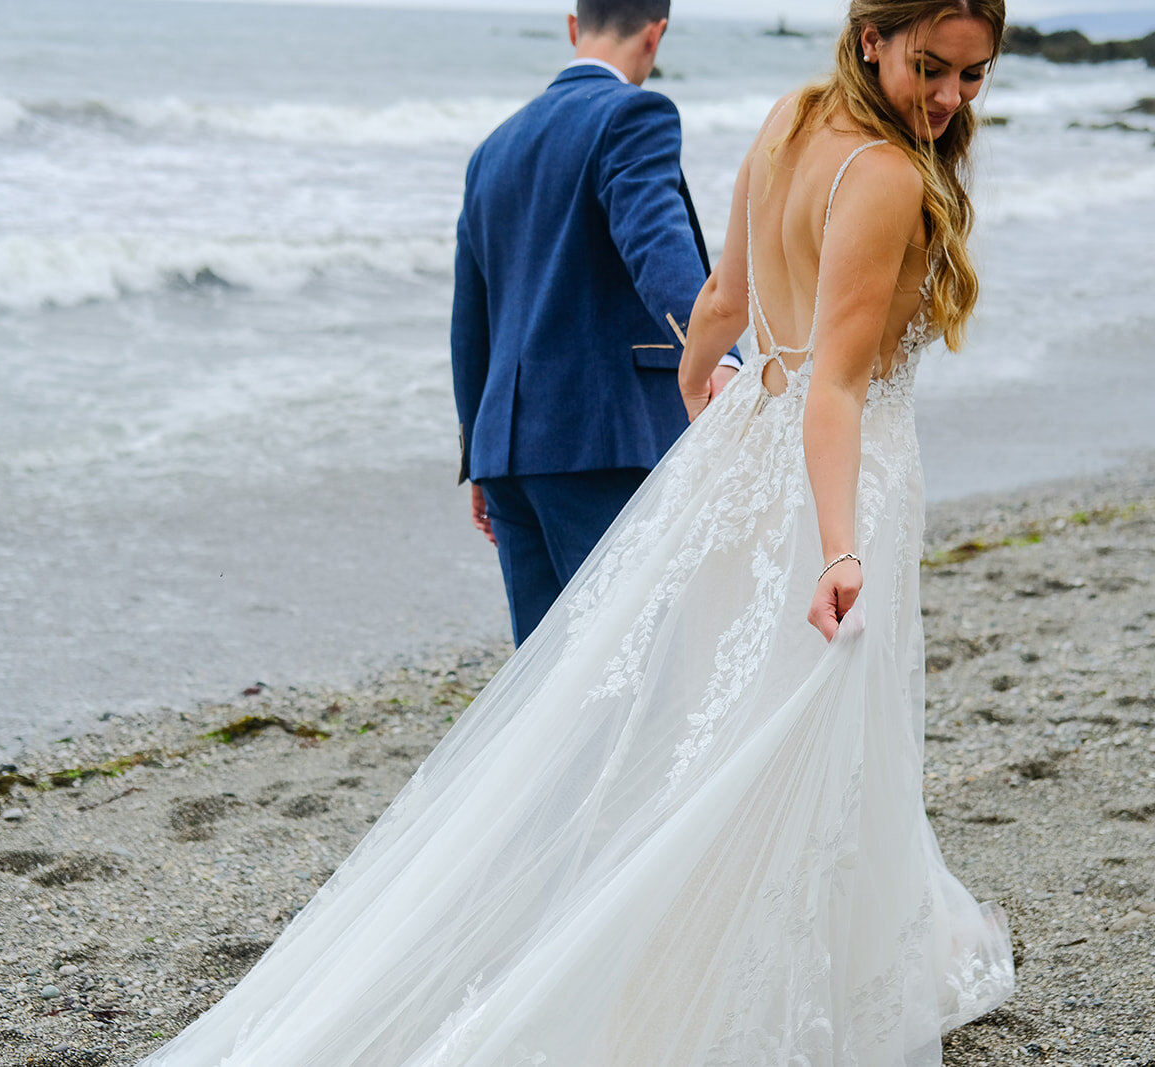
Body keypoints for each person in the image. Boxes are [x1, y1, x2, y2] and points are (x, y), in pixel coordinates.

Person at [137, 2, 1013, 1063]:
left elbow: (718, 301)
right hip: (796, 473)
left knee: (637, 717)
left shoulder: (777, 122)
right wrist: (837, 545)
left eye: (971, 77)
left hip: (640, 453)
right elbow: (805, 364)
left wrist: (700, 399)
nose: (950, 98)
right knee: (733, 731)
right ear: (871, 36)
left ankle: (599, 926)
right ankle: (656, 959)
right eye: (933, 67)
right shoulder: (845, 166)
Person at [451, 0, 739, 645]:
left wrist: (480, 450)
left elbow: (471, 320)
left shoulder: (492, 149)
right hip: (601, 439)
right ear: (657, 33)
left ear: (574, 26)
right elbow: (657, 245)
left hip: (509, 457)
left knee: (545, 682)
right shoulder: (635, 115)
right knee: (632, 672)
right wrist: (716, 353)